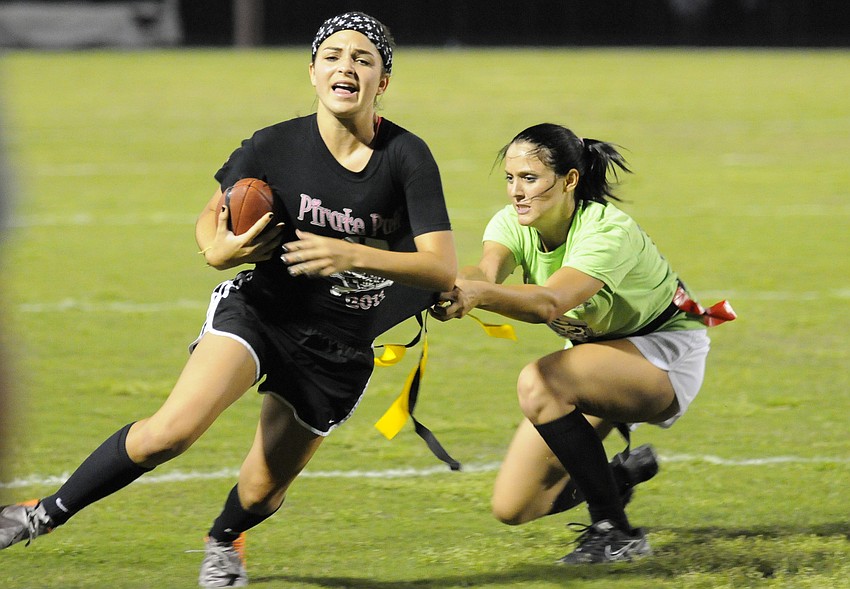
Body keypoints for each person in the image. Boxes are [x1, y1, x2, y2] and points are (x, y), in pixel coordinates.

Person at [0, 12, 456, 588]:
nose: (347, 67)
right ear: (313, 71)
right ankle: (39, 515)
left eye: (364, 60)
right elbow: (214, 213)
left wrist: (351, 255)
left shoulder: (406, 156)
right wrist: (216, 250)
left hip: (341, 345)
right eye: (334, 56)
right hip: (263, 313)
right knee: (172, 431)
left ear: (382, 82)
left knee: (263, 491)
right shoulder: (275, 144)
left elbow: (440, 266)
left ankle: (224, 539)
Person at [431, 123, 734, 564]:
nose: (516, 191)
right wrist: (448, 284)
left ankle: (615, 531)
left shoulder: (607, 231)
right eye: (510, 178)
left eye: (530, 178)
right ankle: (616, 479)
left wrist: (474, 296)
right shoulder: (514, 221)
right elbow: (486, 273)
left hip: (663, 355)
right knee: (514, 507)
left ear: (570, 180)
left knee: (539, 382)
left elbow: (548, 304)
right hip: (597, 361)